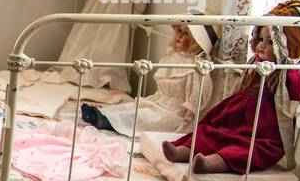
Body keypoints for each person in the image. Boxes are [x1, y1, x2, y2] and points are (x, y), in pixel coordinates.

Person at [162, 0, 300, 174]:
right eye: (260, 39)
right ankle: (184, 151)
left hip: (263, 133)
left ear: (288, 47)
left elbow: (298, 107)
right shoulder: (255, 63)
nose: (261, 46)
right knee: (210, 131)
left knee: (249, 150)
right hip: (237, 119)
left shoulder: (292, 75)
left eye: (270, 42)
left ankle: (212, 162)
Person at [81, 15, 216, 136]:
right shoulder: (174, 56)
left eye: (185, 34)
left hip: (175, 112)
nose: (179, 37)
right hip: (160, 101)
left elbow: (197, 94)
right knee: (134, 107)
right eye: (179, 32)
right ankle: (104, 114)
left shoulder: (197, 66)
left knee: (147, 118)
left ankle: (104, 121)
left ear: (195, 42)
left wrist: (189, 113)